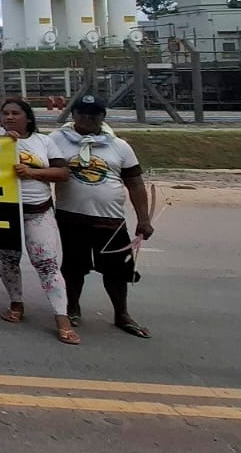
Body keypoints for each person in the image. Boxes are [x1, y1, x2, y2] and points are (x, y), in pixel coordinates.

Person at [49, 95, 156, 339]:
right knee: (73, 269)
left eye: (94, 114)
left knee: (117, 272)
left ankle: (122, 314)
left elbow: (135, 184)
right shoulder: (55, 141)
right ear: (73, 115)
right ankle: (72, 307)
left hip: (110, 221)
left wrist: (143, 219)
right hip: (70, 218)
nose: (87, 118)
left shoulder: (119, 146)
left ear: (102, 117)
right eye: (82, 113)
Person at [0, 99, 78, 345]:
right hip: (5, 211)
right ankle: (16, 303)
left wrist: (33, 172)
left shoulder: (44, 142)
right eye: (5, 113)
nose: (10, 117)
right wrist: (4, 143)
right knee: (8, 260)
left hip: (38, 211)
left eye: (16, 113)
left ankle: (62, 316)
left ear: (28, 117)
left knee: (47, 264)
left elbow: (63, 173)